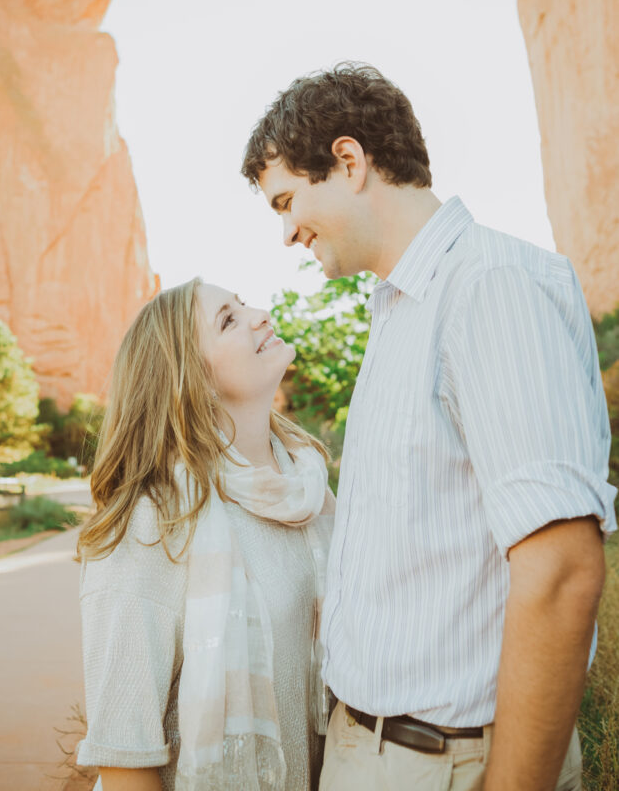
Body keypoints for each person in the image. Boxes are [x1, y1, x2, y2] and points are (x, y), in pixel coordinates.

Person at [241, 62, 617, 791]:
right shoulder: (400, 307)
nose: (287, 232)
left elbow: (563, 570)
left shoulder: (489, 287)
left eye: (288, 200)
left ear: (349, 162)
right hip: (377, 752)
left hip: (449, 763)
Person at [75, 278, 335, 791]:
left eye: (243, 304)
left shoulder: (311, 492)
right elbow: (125, 757)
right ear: (189, 377)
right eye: (228, 320)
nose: (261, 313)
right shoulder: (155, 520)